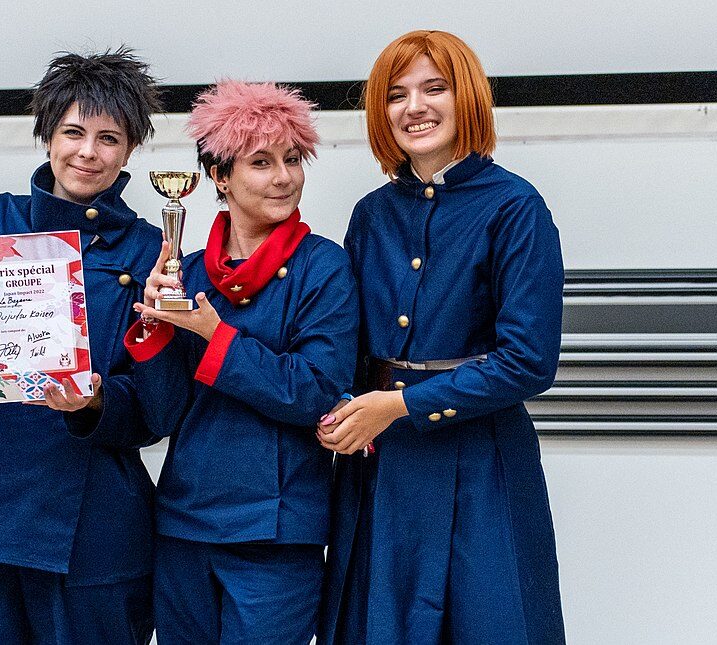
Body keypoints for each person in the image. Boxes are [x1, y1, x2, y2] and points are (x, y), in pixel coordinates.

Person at [0, 49, 162, 644]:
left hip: (92, 524)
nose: (87, 153)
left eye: (109, 138)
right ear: (47, 135)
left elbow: (156, 405)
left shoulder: (152, 251)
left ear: (129, 151)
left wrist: (96, 402)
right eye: (73, 132)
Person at [317, 30, 567, 644]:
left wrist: (399, 404)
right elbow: (349, 346)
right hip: (382, 471)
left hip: (481, 466)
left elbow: (528, 362)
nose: (415, 108)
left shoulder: (515, 207)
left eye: (435, 88)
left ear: (469, 99)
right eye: (397, 95)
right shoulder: (370, 214)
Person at [125, 80, 359, 644]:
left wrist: (215, 336)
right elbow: (160, 417)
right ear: (218, 176)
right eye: (261, 162)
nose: (283, 177)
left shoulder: (323, 267)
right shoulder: (186, 270)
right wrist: (155, 331)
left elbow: (318, 393)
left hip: (275, 533)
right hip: (185, 521)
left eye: (292, 159)